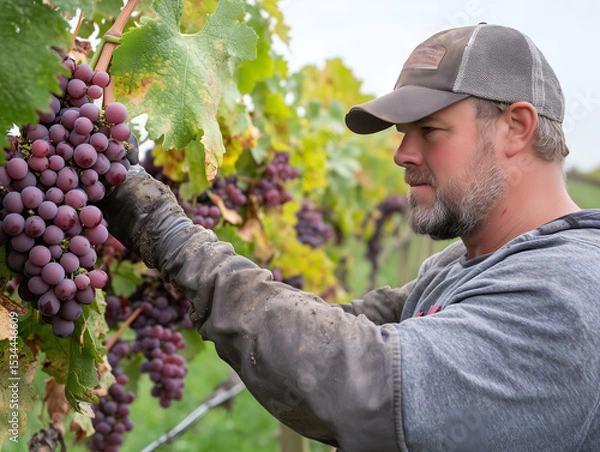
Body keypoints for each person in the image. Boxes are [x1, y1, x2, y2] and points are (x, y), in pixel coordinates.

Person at [100, 23, 600, 452]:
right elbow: (342, 328)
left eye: (429, 130)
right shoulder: (462, 265)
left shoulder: (566, 294)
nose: (402, 153)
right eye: (404, 133)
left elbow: (363, 379)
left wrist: (166, 234)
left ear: (516, 127)